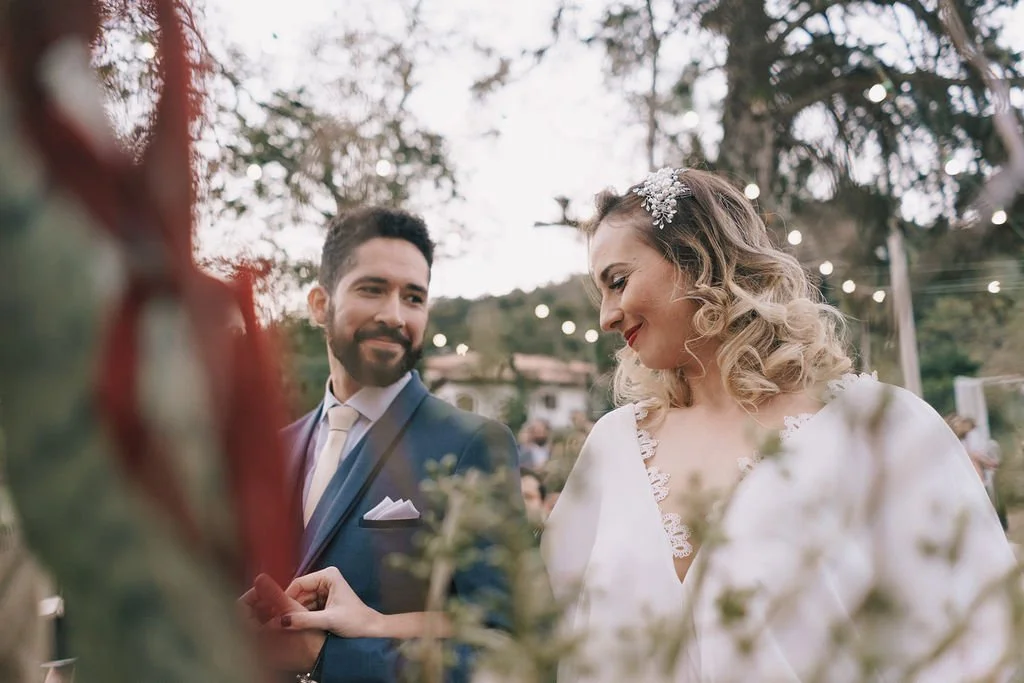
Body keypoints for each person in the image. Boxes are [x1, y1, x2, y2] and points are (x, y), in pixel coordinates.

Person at [541, 168, 1019, 682]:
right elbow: (557, 631)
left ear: (697, 259)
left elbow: (981, 641)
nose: (607, 318)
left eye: (618, 282)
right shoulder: (613, 447)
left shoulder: (879, 428)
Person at [246, 207, 522, 683]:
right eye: (372, 289)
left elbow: (509, 653)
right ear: (319, 304)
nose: (394, 315)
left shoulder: (473, 445)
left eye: (413, 297)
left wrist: (325, 659)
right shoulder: (272, 450)